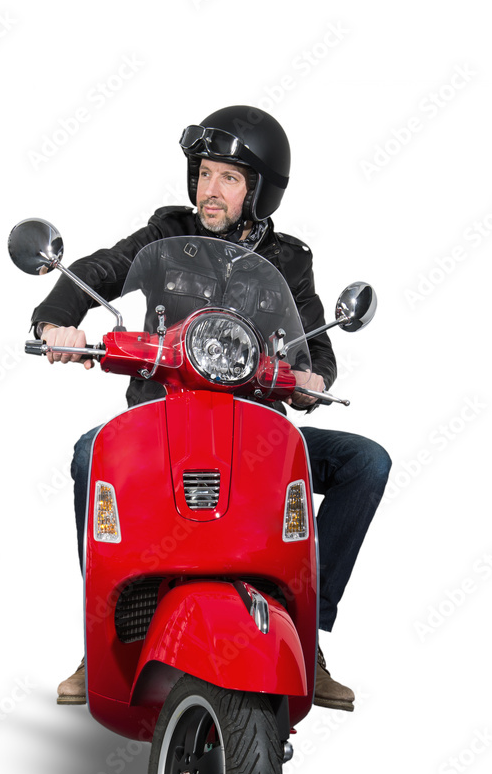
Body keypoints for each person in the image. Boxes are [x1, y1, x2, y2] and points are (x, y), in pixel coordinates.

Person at [30, 105, 391, 712]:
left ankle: (309, 630)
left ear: (259, 192)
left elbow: (317, 346)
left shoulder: (291, 260)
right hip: (161, 424)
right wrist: (55, 323)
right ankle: (103, 641)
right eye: (203, 173)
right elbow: (100, 269)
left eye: (228, 177)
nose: (210, 189)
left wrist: (312, 376)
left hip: (255, 434)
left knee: (366, 462)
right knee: (90, 455)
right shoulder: (165, 234)